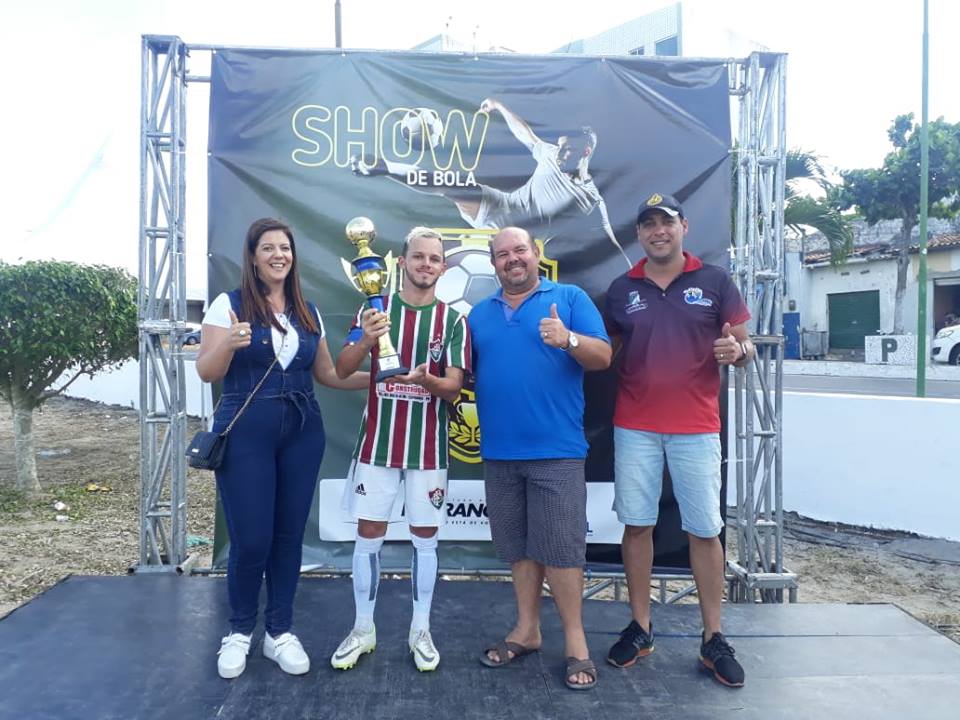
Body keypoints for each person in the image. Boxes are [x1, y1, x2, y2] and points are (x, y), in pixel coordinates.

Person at [196, 217, 368, 680]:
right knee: (252, 539)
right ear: (253, 257)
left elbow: (329, 375)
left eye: (285, 248)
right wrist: (229, 344)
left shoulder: (307, 312)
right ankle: (239, 632)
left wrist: (384, 377)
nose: (279, 255)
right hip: (246, 432)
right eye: (268, 248)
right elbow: (207, 371)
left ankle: (279, 632)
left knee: (289, 537)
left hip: (302, 431)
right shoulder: (229, 305)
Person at [603, 193, 754, 688]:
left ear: (684, 227)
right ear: (639, 234)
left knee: (705, 531)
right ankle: (641, 628)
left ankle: (713, 637)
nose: (657, 231)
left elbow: (745, 344)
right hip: (635, 425)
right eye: (648, 224)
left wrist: (738, 350)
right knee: (637, 526)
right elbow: (606, 351)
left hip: (696, 426)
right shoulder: (621, 288)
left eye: (665, 222)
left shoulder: (714, 280)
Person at [468, 226, 612, 690]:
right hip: (499, 452)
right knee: (519, 547)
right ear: (493, 262)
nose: (512, 259)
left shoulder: (568, 299)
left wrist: (568, 339)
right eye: (502, 254)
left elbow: (603, 356)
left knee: (563, 551)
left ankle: (576, 643)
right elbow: (464, 374)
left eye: (520, 250)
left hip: (556, 450)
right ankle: (527, 631)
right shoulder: (478, 315)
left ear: (536, 255)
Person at [330, 227, 471, 673]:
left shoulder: (452, 320)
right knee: (367, 538)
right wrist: (367, 340)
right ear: (402, 263)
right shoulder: (375, 308)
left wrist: (427, 380)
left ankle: (420, 631)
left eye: (434, 258)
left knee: (425, 542)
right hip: (378, 446)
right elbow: (342, 368)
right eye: (419, 256)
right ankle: (362, 629)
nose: (426, 264)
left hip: (428, 451)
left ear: (443, 268)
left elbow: (454, 388)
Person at [351, 98, 630, 266]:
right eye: (560, 147)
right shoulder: (550, 153)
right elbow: (526, 134)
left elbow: (612, 247)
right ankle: (384, 167)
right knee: (454, 185)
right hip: (502, 205)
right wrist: (499, 106)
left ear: (585, 152)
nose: (561, 153)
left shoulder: (592, 199)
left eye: (567, 150)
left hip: (519, 244)